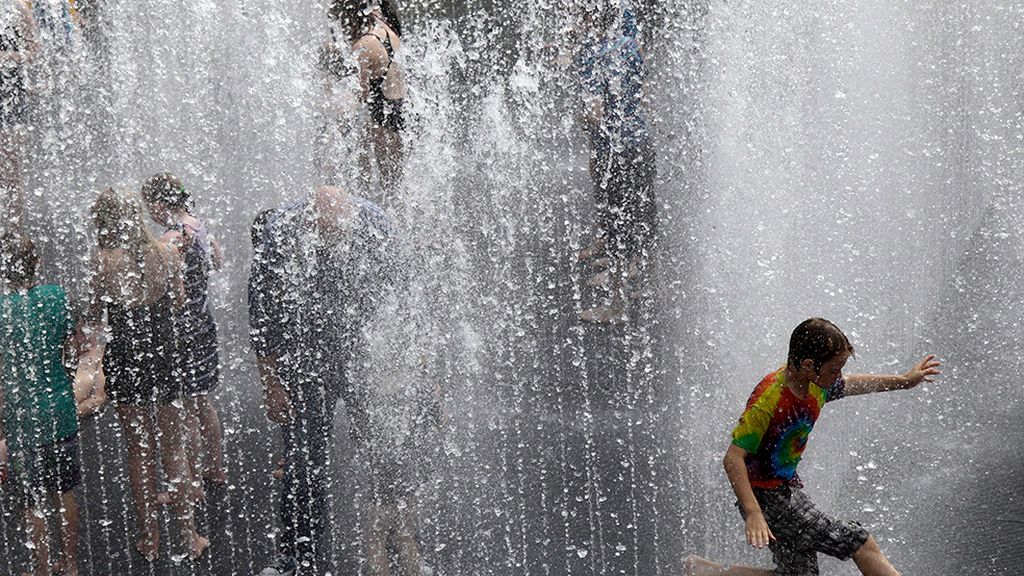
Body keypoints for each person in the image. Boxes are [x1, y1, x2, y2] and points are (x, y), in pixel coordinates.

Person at [685, 318, 942, 576]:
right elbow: (732, 459)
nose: (838, 376)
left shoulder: (816, 385)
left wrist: (904, 381)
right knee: (858, 541)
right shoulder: (770, 400)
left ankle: (707, 572)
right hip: (767, 498)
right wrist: (753, 513)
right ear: (809, 365)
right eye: (834, 369)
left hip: (783, 490)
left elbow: (853, 384)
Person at [249, 185, 401, 576]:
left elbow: (401, 300)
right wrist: (271, 382)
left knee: (385, 453)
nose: (336, 240)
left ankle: (395, 549)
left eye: (341, 234)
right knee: (302, 462)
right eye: (327, 234)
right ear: (310, 221)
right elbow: (262, 312)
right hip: (303, 363)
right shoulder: (282, 231)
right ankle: (298, 558)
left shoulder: (376, 227)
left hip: (362, 358)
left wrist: (405, 368)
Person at [85, 188, 208, 562]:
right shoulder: (166, 253)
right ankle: (189, 536)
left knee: (138, 453)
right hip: (164, 357)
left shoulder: (101, 262)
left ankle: (150, 539)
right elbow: (180, 302)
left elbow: (94, 316)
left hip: (125, 361)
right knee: (174, 448)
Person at [141, 173, 228, 500]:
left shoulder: (171, 237)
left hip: (181, 333)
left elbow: (156, 286)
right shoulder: (198, 224)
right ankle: (214, 467)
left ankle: (190, 487)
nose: (148, 213)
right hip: (203, 325)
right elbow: (218, 261)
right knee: (202, 400)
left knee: (184, 409)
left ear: (160, 204)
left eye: (149, 206)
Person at [0, 233, 82, 576]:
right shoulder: (56, 296)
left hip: (23, 421)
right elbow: (73, 348)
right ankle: (72, 564)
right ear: (38, 264)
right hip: (61, 412)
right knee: (64, 492)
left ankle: (42, 568)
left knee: (31, 501)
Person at [574, 0, 657, 323]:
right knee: (645, 211)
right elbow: (643, 90)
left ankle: (617, 304)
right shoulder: (628, 45)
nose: (576, 19)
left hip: (614, 148)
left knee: (618, 221)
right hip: (641, 141)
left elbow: (594, 112)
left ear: (593, 16)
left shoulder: (591, 54)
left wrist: (584, 119)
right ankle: (652, 282)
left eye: (581, 13)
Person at [323, 0, 407, 198]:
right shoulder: (384, 26)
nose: (342, 30)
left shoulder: (363, 46)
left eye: (341, 23)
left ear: (349, 19)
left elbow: (360, 94)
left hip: (384, 126)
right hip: (404, 114)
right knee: (396, 188)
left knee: (385, 191)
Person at [0, 0, 39, 234]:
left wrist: (6, 56)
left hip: (9, 95)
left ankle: (14, 233)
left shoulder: (17, 8)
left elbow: (34, 51)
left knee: (10, 169)